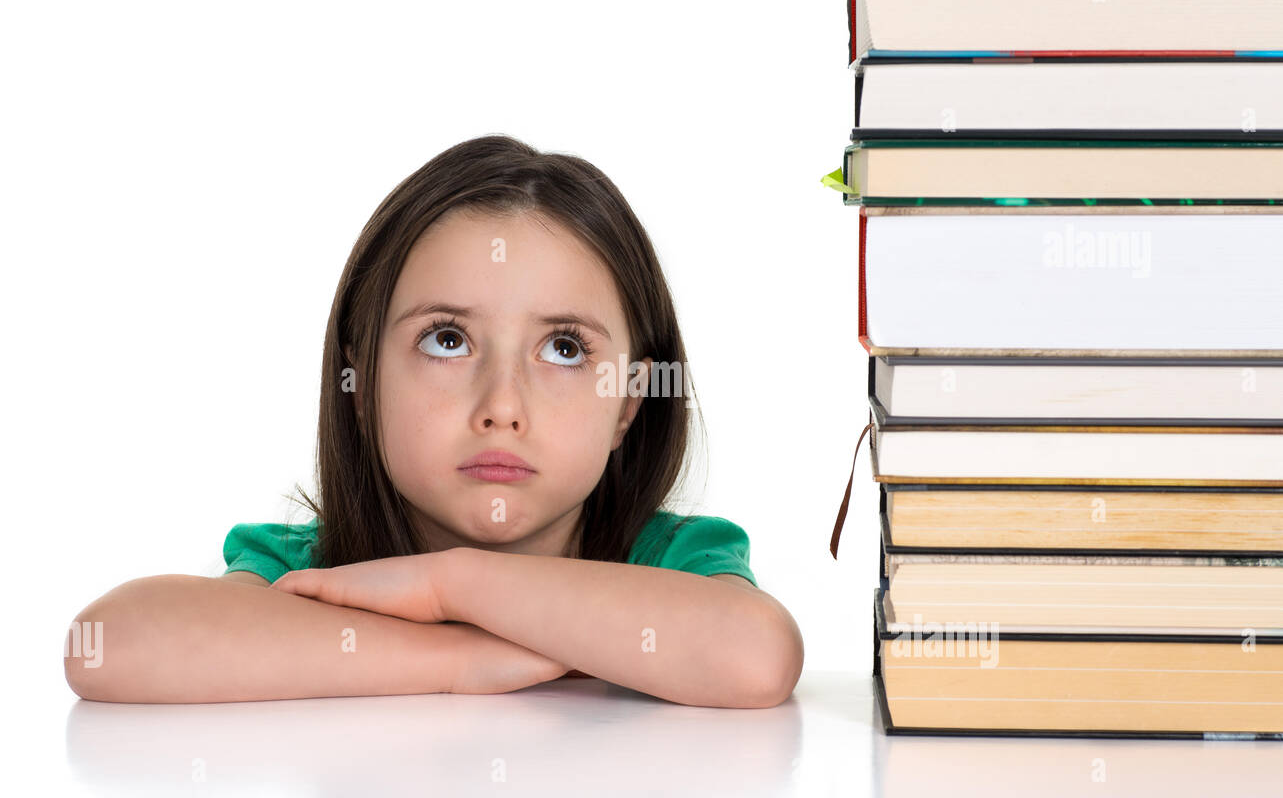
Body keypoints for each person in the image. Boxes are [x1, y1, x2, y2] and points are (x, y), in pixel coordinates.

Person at [65, 135, 802, 708]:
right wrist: (456, 659)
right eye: (447, 340)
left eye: (565, 348)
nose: (502, 407)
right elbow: (106, 647)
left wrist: (452, 588)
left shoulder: (672, 560)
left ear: (628, 405)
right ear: (360, 383)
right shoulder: (313, 570)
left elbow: (758, 657)